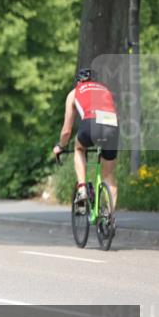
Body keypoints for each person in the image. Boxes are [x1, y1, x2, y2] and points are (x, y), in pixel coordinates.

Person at [52, 68, 120, 212]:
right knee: (108, 175)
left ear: (78, 81)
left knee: (79, 148)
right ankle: (110, 218)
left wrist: (61, 146)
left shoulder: (74, 92)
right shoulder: (105, 90)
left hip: (91, 123)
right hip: (112, 125)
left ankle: (82, 189)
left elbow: (66, 131)